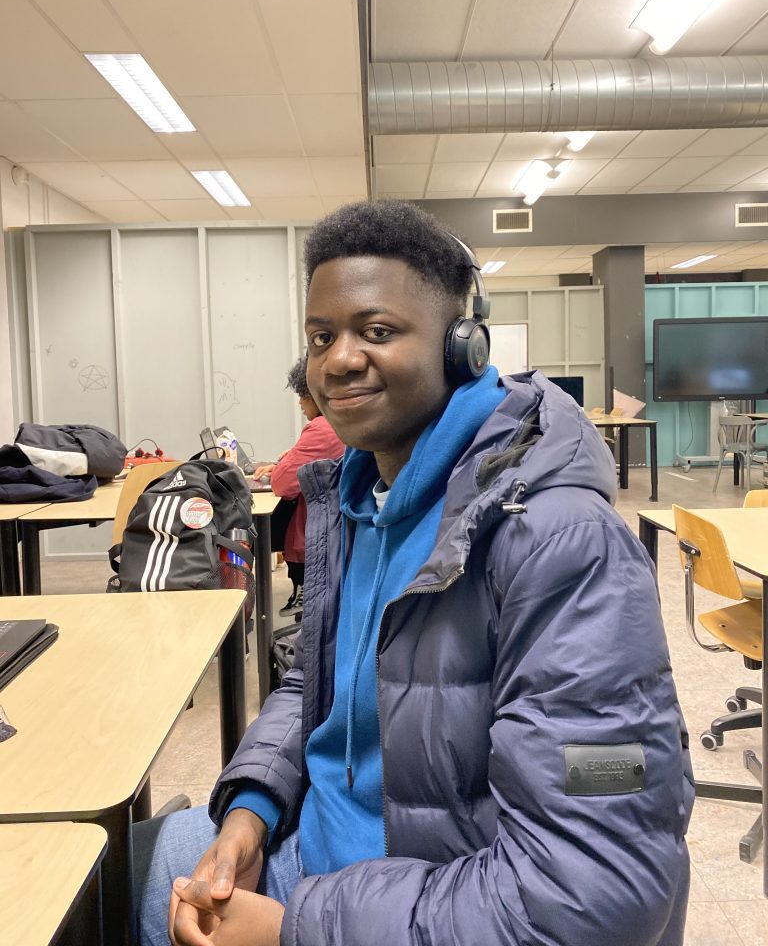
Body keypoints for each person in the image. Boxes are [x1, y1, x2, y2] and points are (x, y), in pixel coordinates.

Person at [134, 199, 694, 946]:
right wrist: (250, 813)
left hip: (422, 906)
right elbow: (316, 686)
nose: (338, 360)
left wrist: (296, 929)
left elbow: (598, 891)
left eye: (377, 331)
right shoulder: (359, 497)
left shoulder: (562, 543)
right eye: (321, 336)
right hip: (314, 854)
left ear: (462, 347)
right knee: (96, 873)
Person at [253, 357, 344, 617]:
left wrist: (284, 465)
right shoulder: (338, 423)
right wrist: (287, 460)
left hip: (316, 538)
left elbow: (283, 485)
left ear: (315, 394)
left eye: (303, 396)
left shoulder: (322, 429)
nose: (300, 404)